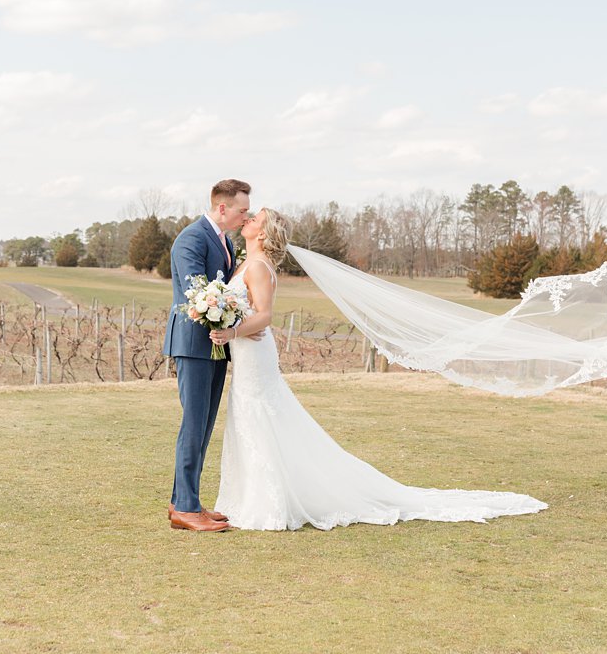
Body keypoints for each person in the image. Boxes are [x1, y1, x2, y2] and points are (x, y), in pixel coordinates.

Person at [211, 207, 547, 531]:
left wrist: (230, 332)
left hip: (253, 350)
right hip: (245, 351)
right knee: (251, 418)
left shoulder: (258, 266)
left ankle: (266, 504)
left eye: (257, 218)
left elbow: (265, 316)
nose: (250, 218)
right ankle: (251, 497)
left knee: (259, 417)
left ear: (265, 233)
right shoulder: (247, 262)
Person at [162, 178, 262, 533]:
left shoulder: (226, 242)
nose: (244, 216)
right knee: (193, 423)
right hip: (193, 344)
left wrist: (241, 323)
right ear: (223, 207)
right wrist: (234, 317)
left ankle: (185, 500)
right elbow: (198, 293)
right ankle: (185, 509)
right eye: (241, 210)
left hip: (217, 344)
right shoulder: (191, 238)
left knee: (203, 425)